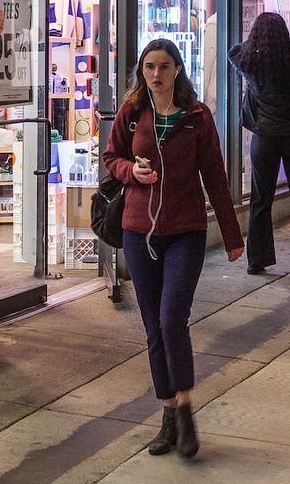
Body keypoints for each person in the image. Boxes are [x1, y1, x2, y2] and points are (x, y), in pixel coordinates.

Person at [102, 39, 245, 460]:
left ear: (178, 69)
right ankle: (167, 415)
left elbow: (216, 177)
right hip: (138, 231)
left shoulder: (198, 117)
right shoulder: (132, 112)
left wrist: (233, 236)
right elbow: (110, 157)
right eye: (149, 67)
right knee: (152, 327)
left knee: (171, 319)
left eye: (164, 66)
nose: (156, 74)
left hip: (186, 232)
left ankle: (184, 410)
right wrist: (132, 170)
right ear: (141, 70)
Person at [229, 12, 290, 286]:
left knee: (261, 199)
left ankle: (256, 260)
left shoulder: (249, 63)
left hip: (265, 138)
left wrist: (254, 43)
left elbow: (233, 52)